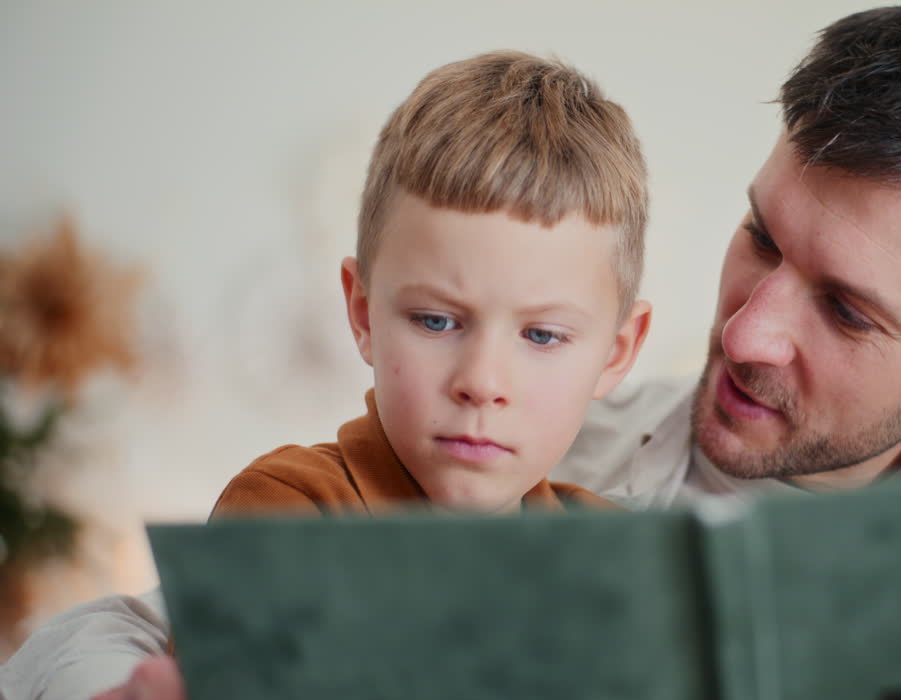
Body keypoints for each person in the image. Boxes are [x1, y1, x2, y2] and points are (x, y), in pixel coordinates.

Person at [0, 2, 901, 700]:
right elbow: (104, 637)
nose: (744, 332)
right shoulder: (525, 450)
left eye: (844, 309)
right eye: (761, 237)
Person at [210, 49, 651, 519]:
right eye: (436, 321)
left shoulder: (618, 543)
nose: (481, 383)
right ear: (363, 314)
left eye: (542, 335)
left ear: (616, 351)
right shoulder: (287, 507)